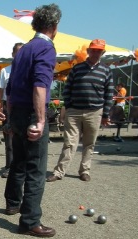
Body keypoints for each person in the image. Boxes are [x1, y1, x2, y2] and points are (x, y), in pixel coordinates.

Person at [2, 4, 61, 238]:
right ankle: (29, 221)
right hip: (29, 112)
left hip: (17, 111)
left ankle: (13, 203)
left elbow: (10, 87)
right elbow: (40, 86)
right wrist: (40, 120)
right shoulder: (45, 48)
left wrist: (10, 116)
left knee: (19, 161)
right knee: (36, 168)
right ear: (54, 27)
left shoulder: (24, 49)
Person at [46, 38, 113, 183]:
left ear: (103, 53)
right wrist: (69, 106)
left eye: (99, 51)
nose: (96, 53)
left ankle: (84, 170)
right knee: (69, 143)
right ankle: (59, 172)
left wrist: (105, 114)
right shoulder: (77, 68)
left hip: (95, 112)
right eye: (93, 50)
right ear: (88, 51)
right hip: (74, 111)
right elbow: (67, 89)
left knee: (89, 143)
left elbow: (109, 94)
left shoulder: (106, 71)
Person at [0, 42, 24, 178]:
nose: (19, 55)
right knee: (9, 140)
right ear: (12, 54)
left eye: (22, 52)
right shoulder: (5, 71)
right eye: (17, 52)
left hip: (24, 106)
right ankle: (9, 166)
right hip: (8, 107)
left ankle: (22, 167)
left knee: (25, 138)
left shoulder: (28, 70)